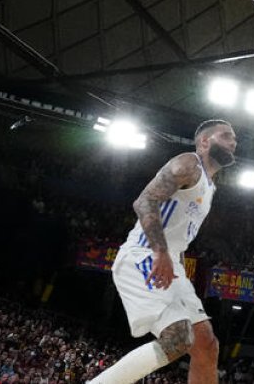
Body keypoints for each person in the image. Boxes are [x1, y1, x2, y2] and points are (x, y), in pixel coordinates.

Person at [90, 120, 236, 384]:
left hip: (170, 261)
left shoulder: (211, 187)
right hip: (143, 254)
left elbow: (177, 237)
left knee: (206, 344)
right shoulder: (189, 163)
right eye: (225, 136)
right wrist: (161, 252)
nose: (233, 142)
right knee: (179, 338)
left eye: (234, 138)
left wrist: (178, 272)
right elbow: (144, 201)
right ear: (204, 142)